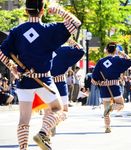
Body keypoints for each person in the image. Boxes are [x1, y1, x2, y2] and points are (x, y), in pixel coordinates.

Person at [0, 0, 81, 149]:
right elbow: (76, 23)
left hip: (24, 81)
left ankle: (23, 148)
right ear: (42, 10)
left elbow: (2, 53)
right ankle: (43, 133)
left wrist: (12, 67)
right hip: (44, 79)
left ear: (26, 11)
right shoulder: (50, 29)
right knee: (58, 109)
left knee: (24, 120)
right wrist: (58, 10)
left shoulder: (16, 31)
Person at [92, 42, 131, 133]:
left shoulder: (101, 61)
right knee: (121, 105)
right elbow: (130, 61)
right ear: (115, 50)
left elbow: (94, 77)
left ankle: (107, 127)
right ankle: (112, 107)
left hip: (104, 87)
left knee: (106, 111)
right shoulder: (118, 59)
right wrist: (121, 53)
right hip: (114, 86)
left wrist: (98, 81)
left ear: (106, 50)